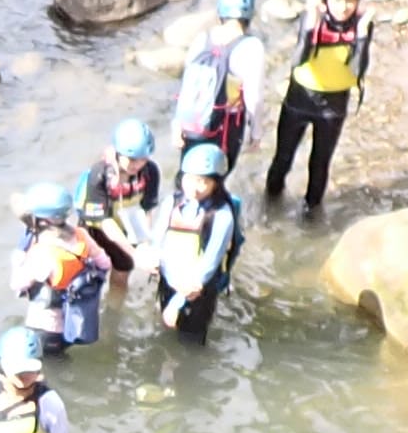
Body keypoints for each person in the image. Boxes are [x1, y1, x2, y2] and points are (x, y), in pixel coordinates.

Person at [269, 0, 376, 215]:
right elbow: (298, 61)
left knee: (320, 164)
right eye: (337, 0)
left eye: (349, 1)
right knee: (283, 158)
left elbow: (358, 70)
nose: (343, 7)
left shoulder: (361, 26)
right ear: (326, 1)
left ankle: (311, 214)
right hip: (300, 99)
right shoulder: (313, 21)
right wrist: (310, 26)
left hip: (334, 105)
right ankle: (271, 205)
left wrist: (361, 35)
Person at [154, 141, 243, 341]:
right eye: (190, 179)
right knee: (165, 333)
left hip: (198, 288)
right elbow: (157, 241)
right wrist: (153, 261)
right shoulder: (171, 203)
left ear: (216, 183)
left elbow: (210, 263)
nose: (195, 188)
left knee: (191, 340)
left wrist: (178, 301)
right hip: (170, 279)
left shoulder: (221, 215)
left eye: (203, 181)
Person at [171, 0, 259, 173]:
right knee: (215, 177)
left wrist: (177, 124)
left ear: (220, 13)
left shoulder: (202, 39)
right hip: (226, 128)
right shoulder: (251, 47)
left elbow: (186, 84)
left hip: (193, 123)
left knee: (188, 175)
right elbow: (254, 98)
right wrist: (256, 132)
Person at [12, 179, 107, 351]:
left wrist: (19, 255)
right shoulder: (81, 234)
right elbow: (104, 263)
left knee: (49, 363)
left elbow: (18, 283)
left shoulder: (42, 253)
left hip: (45, 327)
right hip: (76, 321)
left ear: (40, 219)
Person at [80, 117, 161, 272]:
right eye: (131, 160)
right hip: (96, 229)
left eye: (142, 160)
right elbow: (105, 222)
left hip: (124, 226)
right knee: (91, 275)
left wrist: (143, 245)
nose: (137, 165)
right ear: (118, 153)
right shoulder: (100, 174)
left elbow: (147, 209)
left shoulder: (150, 171)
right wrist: (133, 254)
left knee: (122, 273)